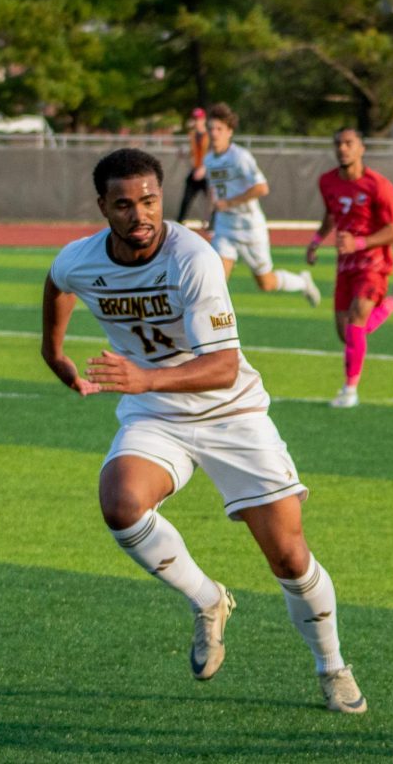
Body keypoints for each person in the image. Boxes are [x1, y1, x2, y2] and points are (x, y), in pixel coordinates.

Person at [39, 147, 366, 713]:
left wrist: (142, 379)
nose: (139, 214)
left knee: (288, 557)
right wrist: (53, 353)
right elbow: (59, 281)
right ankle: (209, 600)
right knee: (120, 504)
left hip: (231, 413)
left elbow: (224, 366)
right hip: (156, 416)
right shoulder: (82, 258)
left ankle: (332, 667)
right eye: (124, 205)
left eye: (149, 201)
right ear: (103, 207)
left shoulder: (194, 258)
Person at [307, 127, 393, 408]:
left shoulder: (378, 185)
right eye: (338, 143)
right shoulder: (327, 181)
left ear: (361, 148)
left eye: (349, 143)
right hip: (345, 265)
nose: (343, 148)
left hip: (373, 262)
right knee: (348, 333)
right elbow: (330, 214)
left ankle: (349, 390)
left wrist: (361, 243)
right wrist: (317, 240)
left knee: (356, 320)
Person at [203, 102, 321, 307]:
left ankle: (303, 282)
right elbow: (214, 190)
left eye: (219, 129)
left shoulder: (240, 157)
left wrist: (229, 202)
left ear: (229, 132)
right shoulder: (209, 159)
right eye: (211, 128)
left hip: (249, 227)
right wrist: (211, 214)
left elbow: (261, 187)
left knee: (265, 283)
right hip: (224, 227)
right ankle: (216, 328)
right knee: (215, 280)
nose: (214, 133)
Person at [175, 107, 212, 227]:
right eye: (195, 119)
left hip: (208, 173)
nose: (197, 122)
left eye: (199, 119)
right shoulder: (192, 135)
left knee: (212, 200)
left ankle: (212, 224)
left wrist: (204, 168)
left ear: (204, 119)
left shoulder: (210, 135)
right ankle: (179, 224)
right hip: (195, 171)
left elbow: (213, 154)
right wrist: (183, 154)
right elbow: (191, 153)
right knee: (186, 199)